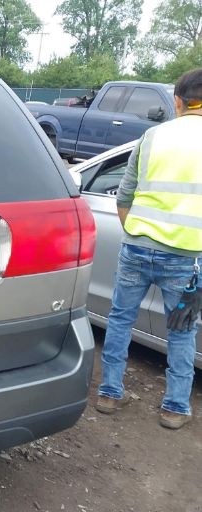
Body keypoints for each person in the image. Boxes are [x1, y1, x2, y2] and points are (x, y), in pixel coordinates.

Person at [96, 68, 202, 430]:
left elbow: (124, 196)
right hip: (186, 260)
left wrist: (136, 233)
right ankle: (174, 408)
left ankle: (109, 394)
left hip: (136, 250)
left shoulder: (152, 136)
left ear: (177, 101)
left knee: (121, 320)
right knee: (182, 332)